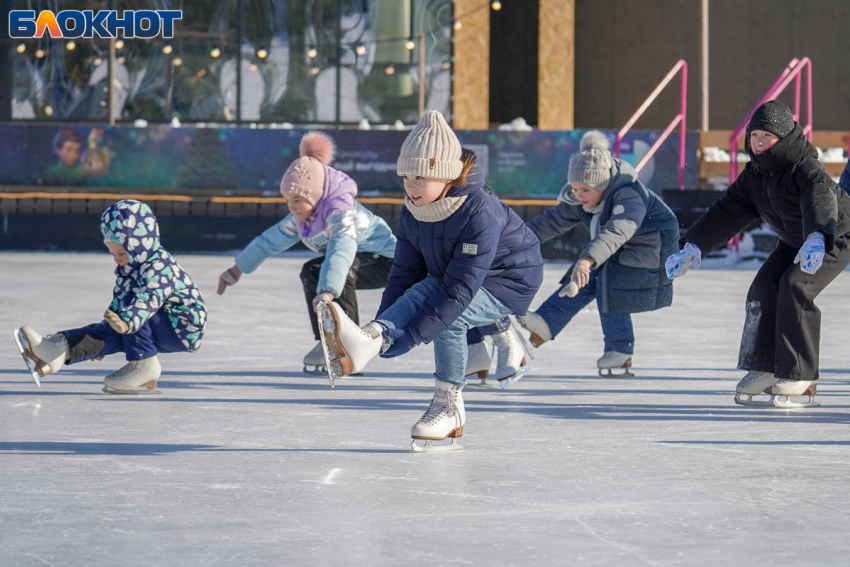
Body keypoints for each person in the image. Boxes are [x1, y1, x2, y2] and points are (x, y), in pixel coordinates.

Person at [315, 110, 543, 450]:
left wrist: (408, 338)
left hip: (511, 278)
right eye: (406, 176)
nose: (410, 185)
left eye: (420, 176)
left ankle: (449, 407)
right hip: (458, 275)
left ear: (446, 176)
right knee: (424, 288)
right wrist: (385, 328)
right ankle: (368, 339)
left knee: (452, 317)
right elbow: (405, 275)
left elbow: (460, 290)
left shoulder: (478, 211)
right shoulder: (414, 209)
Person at [666, 100, 850, 408]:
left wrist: (818, 235)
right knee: (763, 288)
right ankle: (765, 367)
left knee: (796, 286)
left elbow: (820, 199)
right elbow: (727, 211)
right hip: (796, 240)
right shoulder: (756, 173)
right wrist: (694, 245)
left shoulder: (804, 166)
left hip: (834, 236)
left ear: (784, 137)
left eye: (767, 136)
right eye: (754, 136)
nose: (759, 142)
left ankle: (801, 377)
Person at [216, 131, 396, 373]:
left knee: (342, 270)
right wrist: (236, 270)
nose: (292, 207)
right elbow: (268, 241)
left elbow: (341, 251)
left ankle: (349, 347)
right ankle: (326, 342)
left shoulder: (340, 211)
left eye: (298, 200)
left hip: (390, 262)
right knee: (310, 270)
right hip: (355, 261)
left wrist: (327, 291)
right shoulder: (303, 217)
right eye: (288, 201)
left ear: (316, 194)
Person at [515, 130, 680, 377]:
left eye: (585, 190)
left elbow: (617, 230)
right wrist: (512, 244)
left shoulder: (628, 194)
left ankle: (619, 349)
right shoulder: (584, 197)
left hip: (654, 246)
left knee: (609, 278)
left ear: (602, 183)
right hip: (623, 244)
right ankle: (547, 322)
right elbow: (550, 222)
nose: (579, 196)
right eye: (574, 189)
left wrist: (587, 259)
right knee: (588, 275)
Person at [14, 200, 206, 393]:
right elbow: (118, 308)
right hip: (149, 320)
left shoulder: (159, 266)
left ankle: (145, 366)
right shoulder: (130, 269)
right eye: (112, 254)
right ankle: (58, 351)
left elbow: (148, 300)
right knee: (112, 328)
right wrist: (99, 342)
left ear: (138, 245)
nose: (117, 259)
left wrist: (126, 322)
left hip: (181, 325)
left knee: (128, 312)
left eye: (121, 253)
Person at [42, 127, 109, 186]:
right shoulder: (50, 174)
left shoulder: (82, 170)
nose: (73, 155)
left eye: (77, 151)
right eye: (69, 150)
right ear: (57, 150)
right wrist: (92, 141)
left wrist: (92, 140)